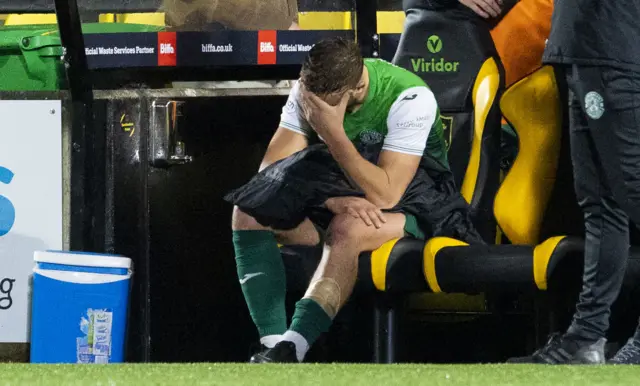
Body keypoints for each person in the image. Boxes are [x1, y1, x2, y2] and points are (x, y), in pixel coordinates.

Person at [224, 37, 483, 363]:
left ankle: (294, 348)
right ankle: (272, 348)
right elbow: (269, 177)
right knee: (250, 211)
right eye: (309, 100)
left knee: (349, 227)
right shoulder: (310, 94)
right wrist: (333, 199)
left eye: (324, 105)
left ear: (357, 90)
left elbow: (386, 194)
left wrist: (331, 132)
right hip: (338, 195)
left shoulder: (410, 96)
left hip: (417, 202)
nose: (313, 109)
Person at [507, 1, 640, 365]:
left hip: (614, 45)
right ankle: (586, 338)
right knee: (600, 204)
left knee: (632, 193)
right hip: (586, 47)